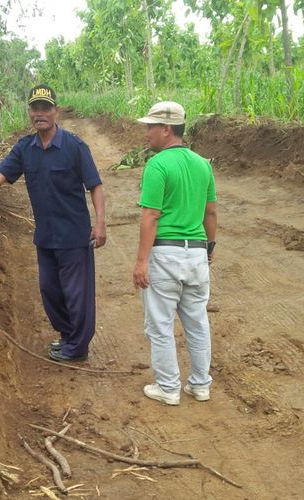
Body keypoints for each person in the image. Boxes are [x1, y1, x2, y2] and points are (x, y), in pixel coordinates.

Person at [0, 84, 106, 362]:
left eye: (46, 108)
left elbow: (95, 185)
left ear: (55, 111)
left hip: (73, 234)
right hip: (45, 236)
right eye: (35, 108)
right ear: (30, 113)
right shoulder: (25, 149)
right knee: (50, 289)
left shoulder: (74, 147)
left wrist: (101, 223)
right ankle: (68, 336)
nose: (40, 113)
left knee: (77, 293)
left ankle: (78, 347)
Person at [133, 101, 217, 405]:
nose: (146, 133)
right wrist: (209, 248)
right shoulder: (203, 164)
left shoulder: (157, 165)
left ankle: (168, 387)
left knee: (160, 325)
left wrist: (142, 261)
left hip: (166, 255)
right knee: (197, 323)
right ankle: (200, 384)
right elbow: (210, 212)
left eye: (150, 127)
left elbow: (151, 216)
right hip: (196, 254)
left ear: (166, 129)